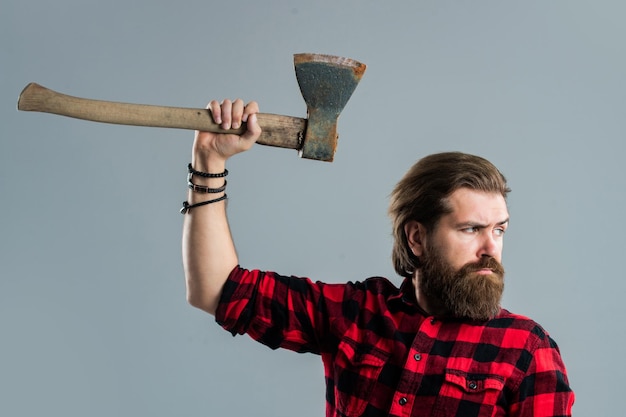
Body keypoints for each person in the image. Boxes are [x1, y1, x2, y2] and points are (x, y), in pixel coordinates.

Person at [182, 99, 575, 417]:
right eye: (471, 229)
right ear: (417, 238)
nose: (491, 248)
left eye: (500, 230)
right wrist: (210, 162)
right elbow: (216, 290)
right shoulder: (358, 315)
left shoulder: (526, 349)